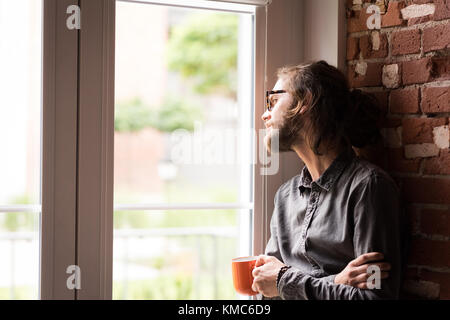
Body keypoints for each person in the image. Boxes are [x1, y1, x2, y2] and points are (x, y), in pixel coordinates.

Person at [251, 60, 407, 300]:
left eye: (273, 100)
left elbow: (376, 297)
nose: (265, 114)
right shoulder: (285, 197)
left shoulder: (369, 188)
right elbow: (267, 289)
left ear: (305, 102)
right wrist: (336, 281)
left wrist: (286, 281)